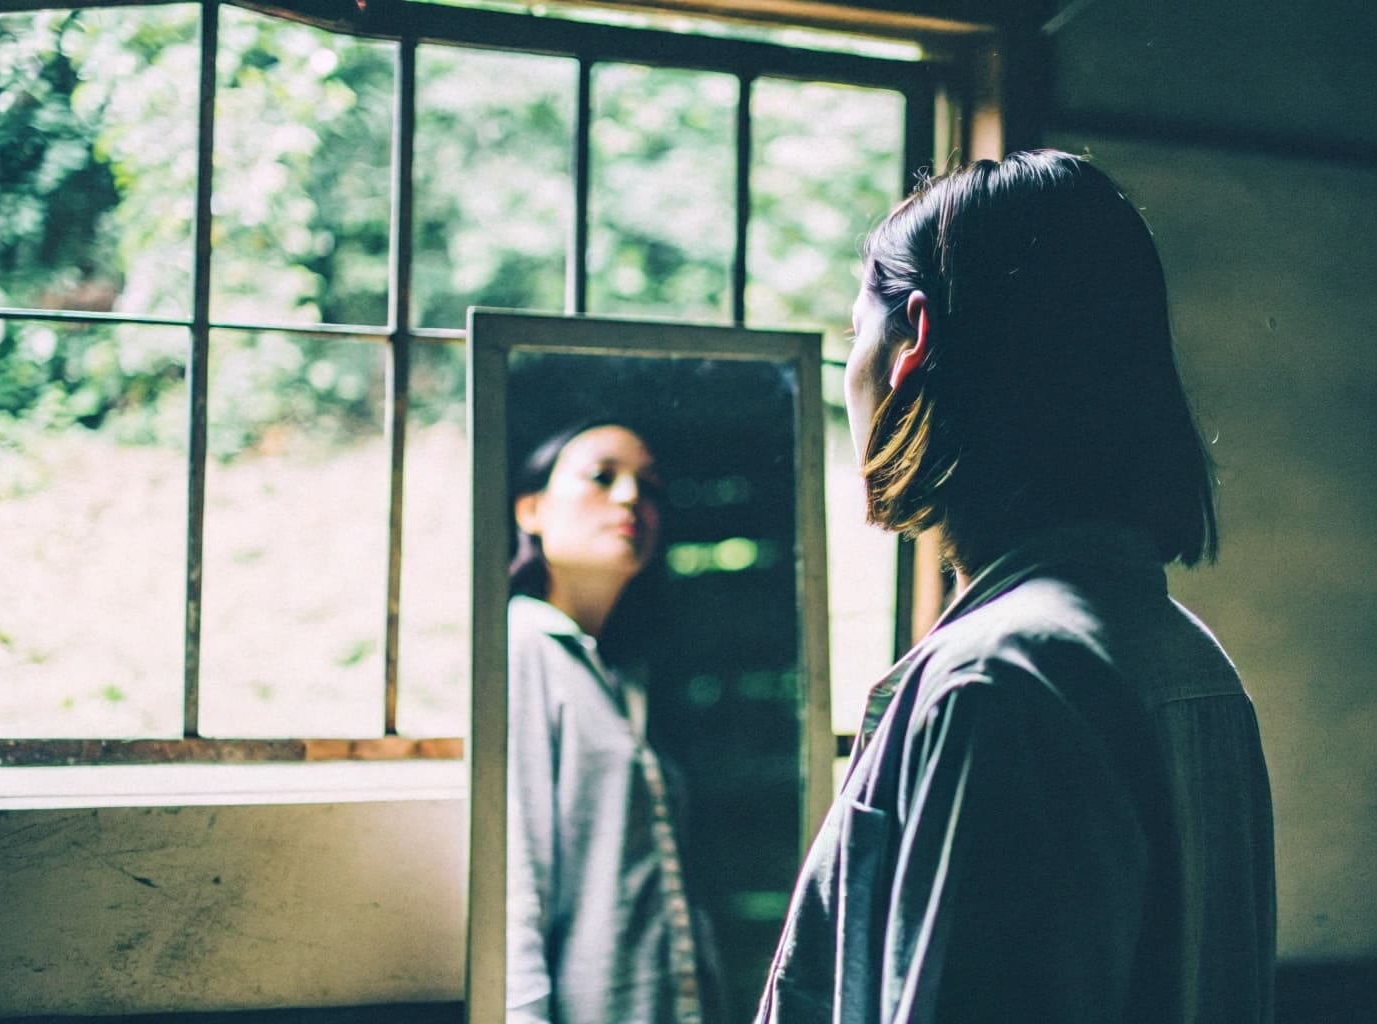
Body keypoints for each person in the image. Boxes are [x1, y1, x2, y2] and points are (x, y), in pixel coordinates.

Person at [755, 149, 1276, 1023]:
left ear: (913, 340)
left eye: (854, 336)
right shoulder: (1190, 659)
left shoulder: (996, 683)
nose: (851, 370)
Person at [506, 418, 718, 1024]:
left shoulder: (625, 674)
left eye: (649, 488)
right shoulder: (522, 646)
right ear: (531, 510)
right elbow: (513, 869)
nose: (630, 498)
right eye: (602, 477)